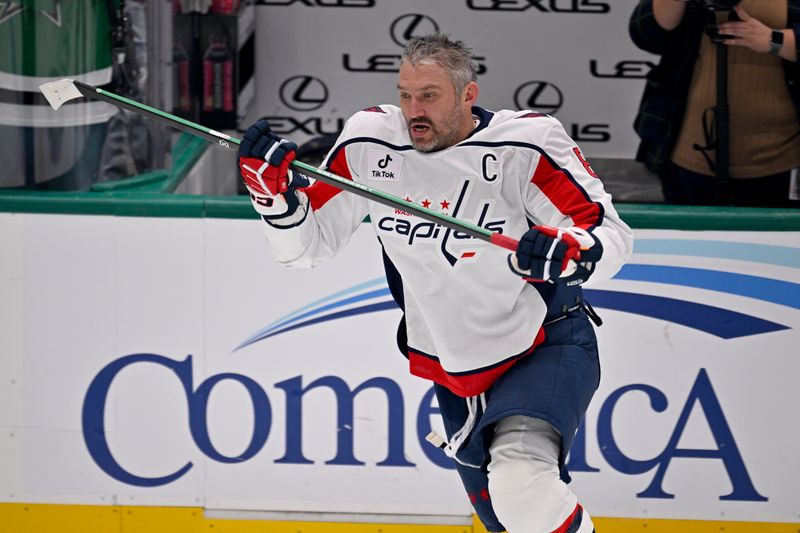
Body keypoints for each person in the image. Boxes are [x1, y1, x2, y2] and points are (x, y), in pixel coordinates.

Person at [238, 33, 633, 533]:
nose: (413, 111)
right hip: (456, 365)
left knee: (522, 492)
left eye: (429, 96)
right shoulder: (370, 142)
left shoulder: (526, 145)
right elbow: (304, 249)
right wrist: (273, 199)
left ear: (468, 95)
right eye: (406, 95)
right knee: (505, 518)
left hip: (544, 342)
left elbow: (608, 234)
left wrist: (572, 253)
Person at [629, 0, 800, 207]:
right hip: (689, 154)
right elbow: (645, 35)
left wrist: (774, 40)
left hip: (784, 157)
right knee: (689, 236)